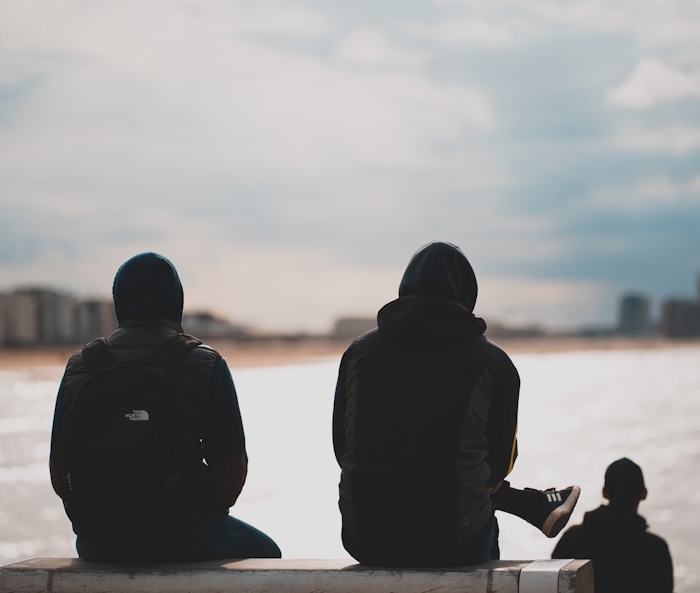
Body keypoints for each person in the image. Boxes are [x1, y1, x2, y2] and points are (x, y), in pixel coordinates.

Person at [333, 240, 580, 566]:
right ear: (468, 293)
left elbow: (342, 449)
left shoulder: (358, 353)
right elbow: (497, 468)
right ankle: (535, 506)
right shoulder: (493, 363)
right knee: (473, 491)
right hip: (454, 544)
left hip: (364, 539)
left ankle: (535, 505)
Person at [50, 252, 281, 562]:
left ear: (120, 301)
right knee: (268, 554)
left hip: (98, 542)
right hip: (183, 537)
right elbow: (232, 473)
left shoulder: (81, 366)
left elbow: (58, 472)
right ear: (177, 301)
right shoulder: (205, 363)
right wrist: (195, 513)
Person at [552, 458, 679, 593]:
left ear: (604, 492)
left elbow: (553, 592)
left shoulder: (572, 539)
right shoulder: (655, 548)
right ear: (644, 494)